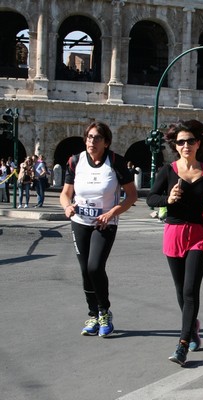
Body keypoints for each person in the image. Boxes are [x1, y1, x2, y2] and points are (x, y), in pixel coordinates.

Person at [146, 119, 203, 367]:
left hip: (199, 236)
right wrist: (167, 199)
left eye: (191, 141)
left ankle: (182, 345)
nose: (186, 145)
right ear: (175, 146)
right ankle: (193, 326)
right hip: (174, 232)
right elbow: (151, 198)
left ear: (198, 143)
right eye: (181, 142)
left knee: (191, 290)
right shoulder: (167, 171)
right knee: (180, 291)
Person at [59, 122, 137, 338]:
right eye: (89, 137)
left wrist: (112, 213)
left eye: (97, 138)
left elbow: (131, 196)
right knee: (85, 270)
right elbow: (66, 193)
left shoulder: (116, 162)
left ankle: (104, 312)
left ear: (106, 142)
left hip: (105, 223)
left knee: (95, 267)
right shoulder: (75, 161)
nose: (92, 142)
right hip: (80, 221)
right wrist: (67, 206)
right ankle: (93, 314)